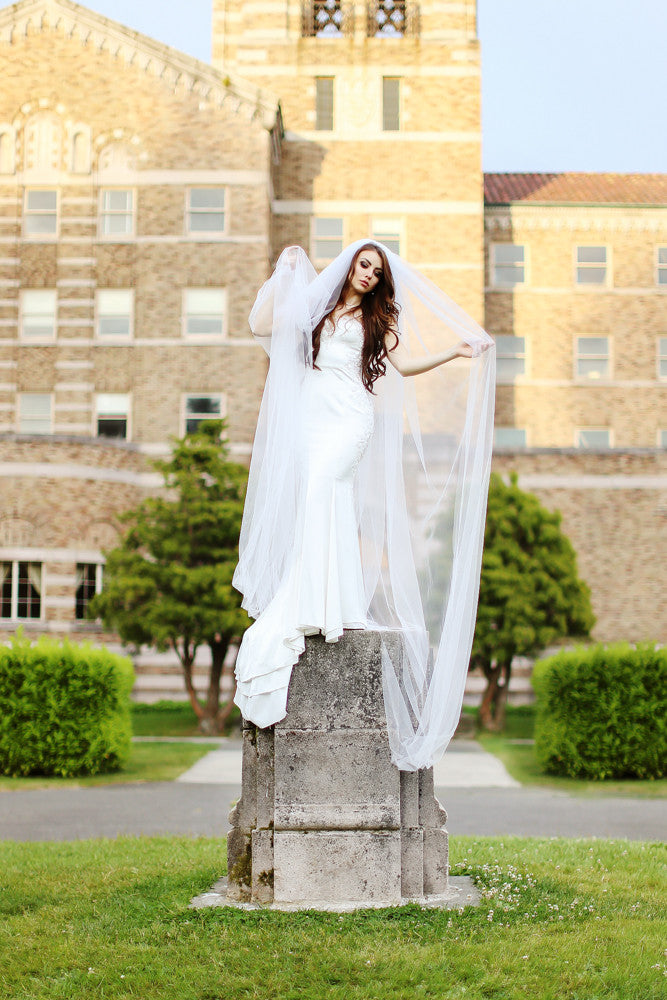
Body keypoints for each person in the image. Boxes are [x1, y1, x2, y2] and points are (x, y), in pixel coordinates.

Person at [233, 240, 495, 771]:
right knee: (312, 500)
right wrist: (284, 272)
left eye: (378, 271)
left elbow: (407, 364)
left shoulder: (378, 323)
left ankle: (330, 604)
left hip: (350, 417)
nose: (370, 275)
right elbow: (261, 325)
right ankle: (314, 598)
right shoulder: (316, 308)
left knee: (327, 490)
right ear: (351, 265)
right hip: (312, 413)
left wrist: (455, 351)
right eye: (365, 265)